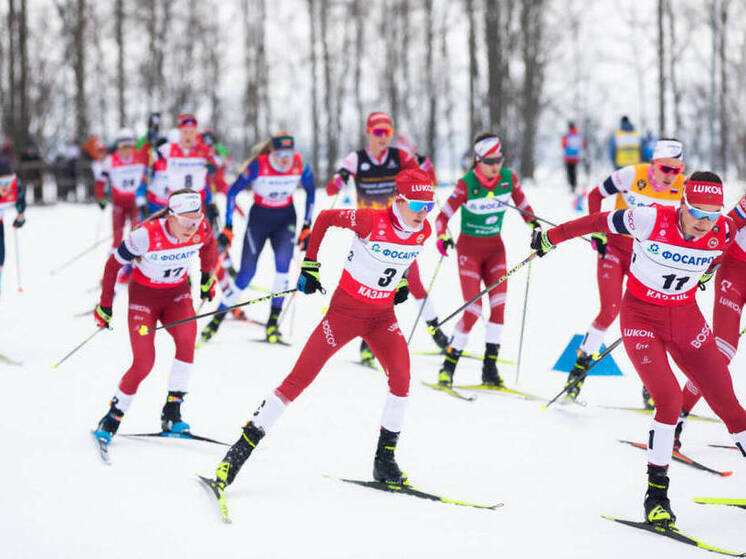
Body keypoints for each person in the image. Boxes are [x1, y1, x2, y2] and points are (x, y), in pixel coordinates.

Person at [200, 168, 434, 501]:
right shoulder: (370, 221)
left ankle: (385, 461)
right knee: (297, 380)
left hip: (382, 317)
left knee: (401, 377)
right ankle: (234, 458)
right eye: (418, 204)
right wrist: (310, 265)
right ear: (399, 200)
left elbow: (407, 256)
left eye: (429, 206)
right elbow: (324, 219)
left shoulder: (420, 228)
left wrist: (400, 282)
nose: (424, 213)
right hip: (344, 315)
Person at [531, 171, 746, 527]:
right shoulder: (648, 218)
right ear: (682, 204)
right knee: (668, 401)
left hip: (687, 318)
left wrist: (707, 270)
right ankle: (656, 496)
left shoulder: (721, 231)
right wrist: (550, 238)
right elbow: (596, 220)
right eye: (697, 213)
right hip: (641, 319)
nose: (705, 223)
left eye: (713, 214)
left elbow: (722, 250)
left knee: (732, 407)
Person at [91, 190, 217, 446]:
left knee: (186, 341)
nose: (191, 228)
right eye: (185, 222)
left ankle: (172, 413)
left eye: (196, 220)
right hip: (144, 298)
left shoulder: (201, 228)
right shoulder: (145, 234)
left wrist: (206, 277)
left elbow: (209, 246)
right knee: (144, 362)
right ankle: (112, 418)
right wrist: (105, 305)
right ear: (171, 217)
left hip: (177, 295)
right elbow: (113, 265)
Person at [566, 139, 686, 405]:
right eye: (666, 169)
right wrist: (597, 230)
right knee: (609, 311)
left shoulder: (683, 188)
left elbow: (687, 224)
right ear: (654, 164)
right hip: (613, 249)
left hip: (645, 259)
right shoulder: (631, 175)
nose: (670, 176)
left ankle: (651, 387)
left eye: (676, 170)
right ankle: (578, 371)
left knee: (652, 319)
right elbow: (595, 194)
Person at [326, 111, 449, 363]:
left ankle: (436, 331)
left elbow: (428, 184)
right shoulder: (356, 159)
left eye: (388, 133)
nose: (384, 138)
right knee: (370, 288)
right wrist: (339, 179)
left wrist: (427, 167)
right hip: (369, 236)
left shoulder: (400, 157)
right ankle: (366, 344)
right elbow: (330, 189)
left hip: (398, 231)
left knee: (413, 283)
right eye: (379, 133)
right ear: (368, 133)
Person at [434, 133, 541, 388]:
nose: (496, 166)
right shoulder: (466, 184)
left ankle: (489, 368)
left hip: (495, 251)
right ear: (478, 160)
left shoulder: (508, 179)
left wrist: (536, 228)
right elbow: (442, 218)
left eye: (499, 160)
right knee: (472, 311)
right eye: (490, 161)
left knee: (499, 307)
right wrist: (441, 236)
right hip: (469, 252)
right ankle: (448, 366)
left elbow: (526, 210)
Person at [200, 133, 315, 345]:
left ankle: (273, 325)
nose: (284, 159)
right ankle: (216, 321)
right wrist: (228, 226)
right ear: (272, 152)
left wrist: (307, 225)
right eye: (280, 153)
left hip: (285, 219)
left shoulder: (300, 164)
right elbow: (233, 192)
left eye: (288, 153)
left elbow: (311, 192)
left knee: (283, 269)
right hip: (259, 219)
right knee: (246, 272)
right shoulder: (259, 165)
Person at [676, 191, 746, 448]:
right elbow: (722, 230)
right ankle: (677, 416)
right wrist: (704, 262)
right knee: (723, 352)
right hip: (735, 271)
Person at [136, 113, 226, 223]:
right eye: (185, 132)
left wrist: (210, 201)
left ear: (196, 133)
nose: (188, 136)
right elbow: (143, 157)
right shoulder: (166, 151)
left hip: (194, 203)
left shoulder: (203, 151)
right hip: (168, 204)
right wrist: (151, 138)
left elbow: (218, 165)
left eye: (191, 132)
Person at [94, 128, 148, 248]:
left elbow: (148, 143)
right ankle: (116, 263)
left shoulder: (140, 157)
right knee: (117, 238)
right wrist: (100, 198)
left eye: (129, 147)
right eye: (123, 147)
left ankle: (134, 264)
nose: (127, 151)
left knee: (136, 236)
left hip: (136, 204)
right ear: (118, 147)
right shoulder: (111, 160)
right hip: (119, 204)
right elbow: (100, 182)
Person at [0, 156, 26, 295]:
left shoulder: (14, 186)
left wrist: (20, 215)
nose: (6, 186)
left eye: (8, 181)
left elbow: (20, 199)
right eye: (2, 181)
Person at [562, 121, 584, 194]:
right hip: (576, 157)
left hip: (568, 157)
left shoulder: (567, 135)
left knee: (569, 172)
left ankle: (572, 185)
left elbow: (564, 145)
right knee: (574, 171)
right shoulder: (579, 135)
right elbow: (582, 145)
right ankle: (574, 184)